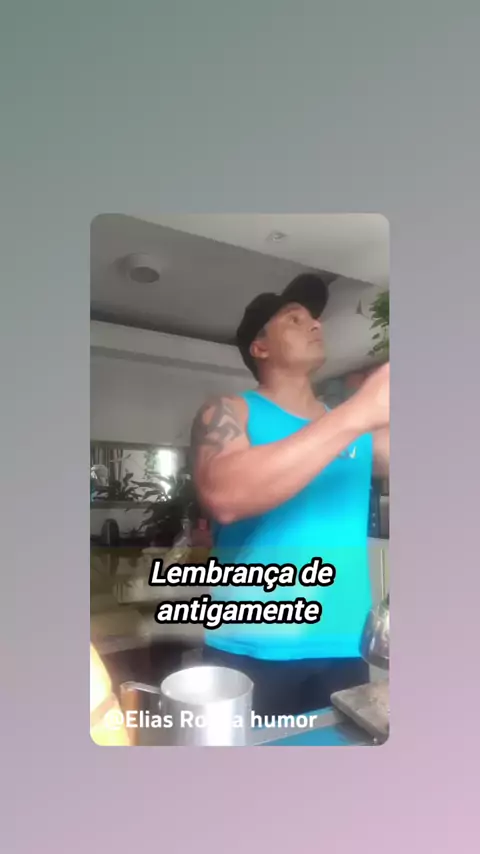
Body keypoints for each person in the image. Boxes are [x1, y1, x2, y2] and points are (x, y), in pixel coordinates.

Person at [190, 273, 389, 717]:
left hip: (344, 646)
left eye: (314, 318)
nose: (316, 324)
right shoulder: (228, 410)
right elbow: (224, 494)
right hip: (250, 646)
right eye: (294, 319)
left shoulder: (358, 430)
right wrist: (356, 412)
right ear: (259, 347)